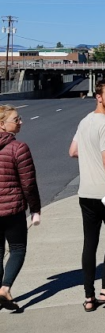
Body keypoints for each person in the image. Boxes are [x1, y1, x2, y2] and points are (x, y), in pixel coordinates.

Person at [69, 77, 105, 312]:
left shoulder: (84, 122)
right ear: (99, 97)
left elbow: (73, 151)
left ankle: (88, 297)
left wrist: (89, 153)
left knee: (89, 244)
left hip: (85, 194)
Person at [0, 105, 41, 312]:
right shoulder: (18, 148)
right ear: (2, 124)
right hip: (12, 210)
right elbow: (28, 184)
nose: (20, 122)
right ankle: (5, 288)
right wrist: (35, 209)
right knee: (17, 249)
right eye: (16, 119)